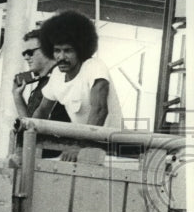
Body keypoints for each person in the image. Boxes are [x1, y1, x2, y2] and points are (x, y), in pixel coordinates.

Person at [33, 10, 123, 160]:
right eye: (57, 51)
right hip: (86, 146)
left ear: (81, 50)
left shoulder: (94, 67)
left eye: (68, 51)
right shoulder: (57, 75)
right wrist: (25, 142)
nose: (61, 57)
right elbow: (41, 111)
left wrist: (80, 146)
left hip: (111, 150)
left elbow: (100, 109)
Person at [12, 29, 70, 122]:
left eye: (30, 52)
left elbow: (35, 127)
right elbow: (30, 125)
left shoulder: (61, 78)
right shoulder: (43, 82)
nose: (26, 57)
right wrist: (17, 96)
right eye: (24, 54)